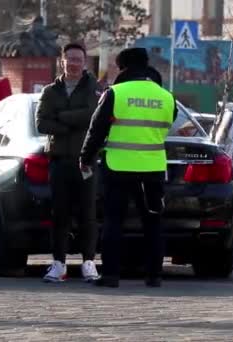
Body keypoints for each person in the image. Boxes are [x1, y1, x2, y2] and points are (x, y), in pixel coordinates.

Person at [80, 48, 177, 288]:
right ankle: (154, 276)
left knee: (114, 222)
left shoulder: (116, 93)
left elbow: (97, 129)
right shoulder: (166, 96)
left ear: (122, 68)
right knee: (153, 223)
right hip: (153, 168)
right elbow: (169, 122)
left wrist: (85, 157)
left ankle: (111, 275)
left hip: (119, 167)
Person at [35, 43, 103, 283]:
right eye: (69, 59)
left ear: (85, 63)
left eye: (78, 60)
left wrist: (61, 117)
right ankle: (58, 264)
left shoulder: (95, 89)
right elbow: (42, 123)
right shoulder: (50, 91)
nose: (73, 64)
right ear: (62, 61)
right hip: (60, 160)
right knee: (60, 214)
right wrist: (75, 122)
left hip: (86, 161)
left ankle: (88, 263)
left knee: (88, 214)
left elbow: (93, 115)